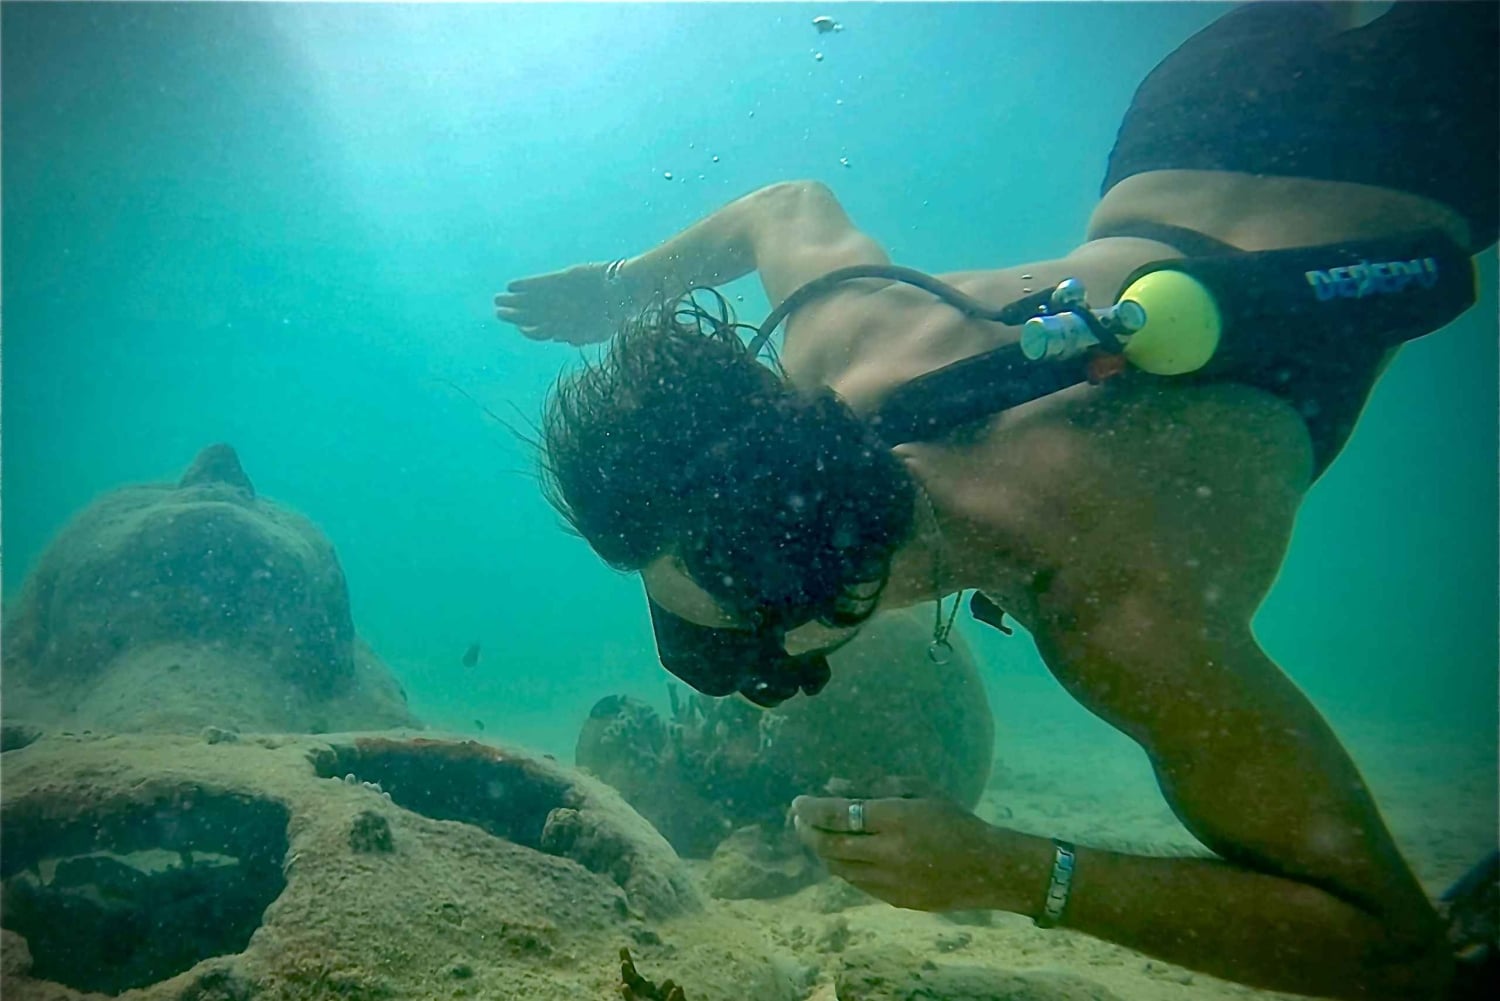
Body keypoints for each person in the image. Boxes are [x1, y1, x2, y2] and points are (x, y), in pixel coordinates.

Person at [495, 3, 1497, 999]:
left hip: (1428, 138)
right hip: (1204, 108)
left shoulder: (1119, 617)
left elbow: (1391, 942)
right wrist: (622, 288)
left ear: (826, 613)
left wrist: (1013, 869)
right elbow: (783, 206)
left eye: (743, 650)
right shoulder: (842, 345)